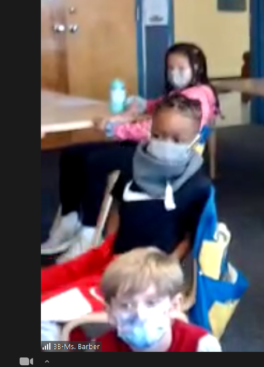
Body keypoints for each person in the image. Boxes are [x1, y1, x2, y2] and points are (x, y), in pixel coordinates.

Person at [41, 96, 215, 342]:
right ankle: (75, 346)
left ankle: (75, 352)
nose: (166, 143)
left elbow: (190, 237)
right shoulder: (135, 167)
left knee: (42, 314)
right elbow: (118, 208)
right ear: (150, 132)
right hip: (110, 257)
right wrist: (110, 241)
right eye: (158, 135)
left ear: (195, 140)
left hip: (143, 277)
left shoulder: (197, 186)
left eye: (177, 139)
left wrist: (164, 267)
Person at [42, 43, 218, 262]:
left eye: (181, 68)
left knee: (94, 162)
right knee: (72, 154)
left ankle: (88, 233)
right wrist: (145, 105)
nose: (174, 73)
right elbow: (164, 107)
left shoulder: (196, 97)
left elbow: (156, 129)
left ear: (197, 68)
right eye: (170, 68)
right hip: (149, 148)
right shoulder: (187, 93)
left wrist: (117, 128)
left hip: (160, 158)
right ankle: (70, 219)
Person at [92, 248, 221, 351]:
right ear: (110, 312)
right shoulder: (97, 347)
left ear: (174, 306)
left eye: (151, 303)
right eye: (126, 305)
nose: (140, 315)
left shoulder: (202, 346)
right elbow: (74, 348)